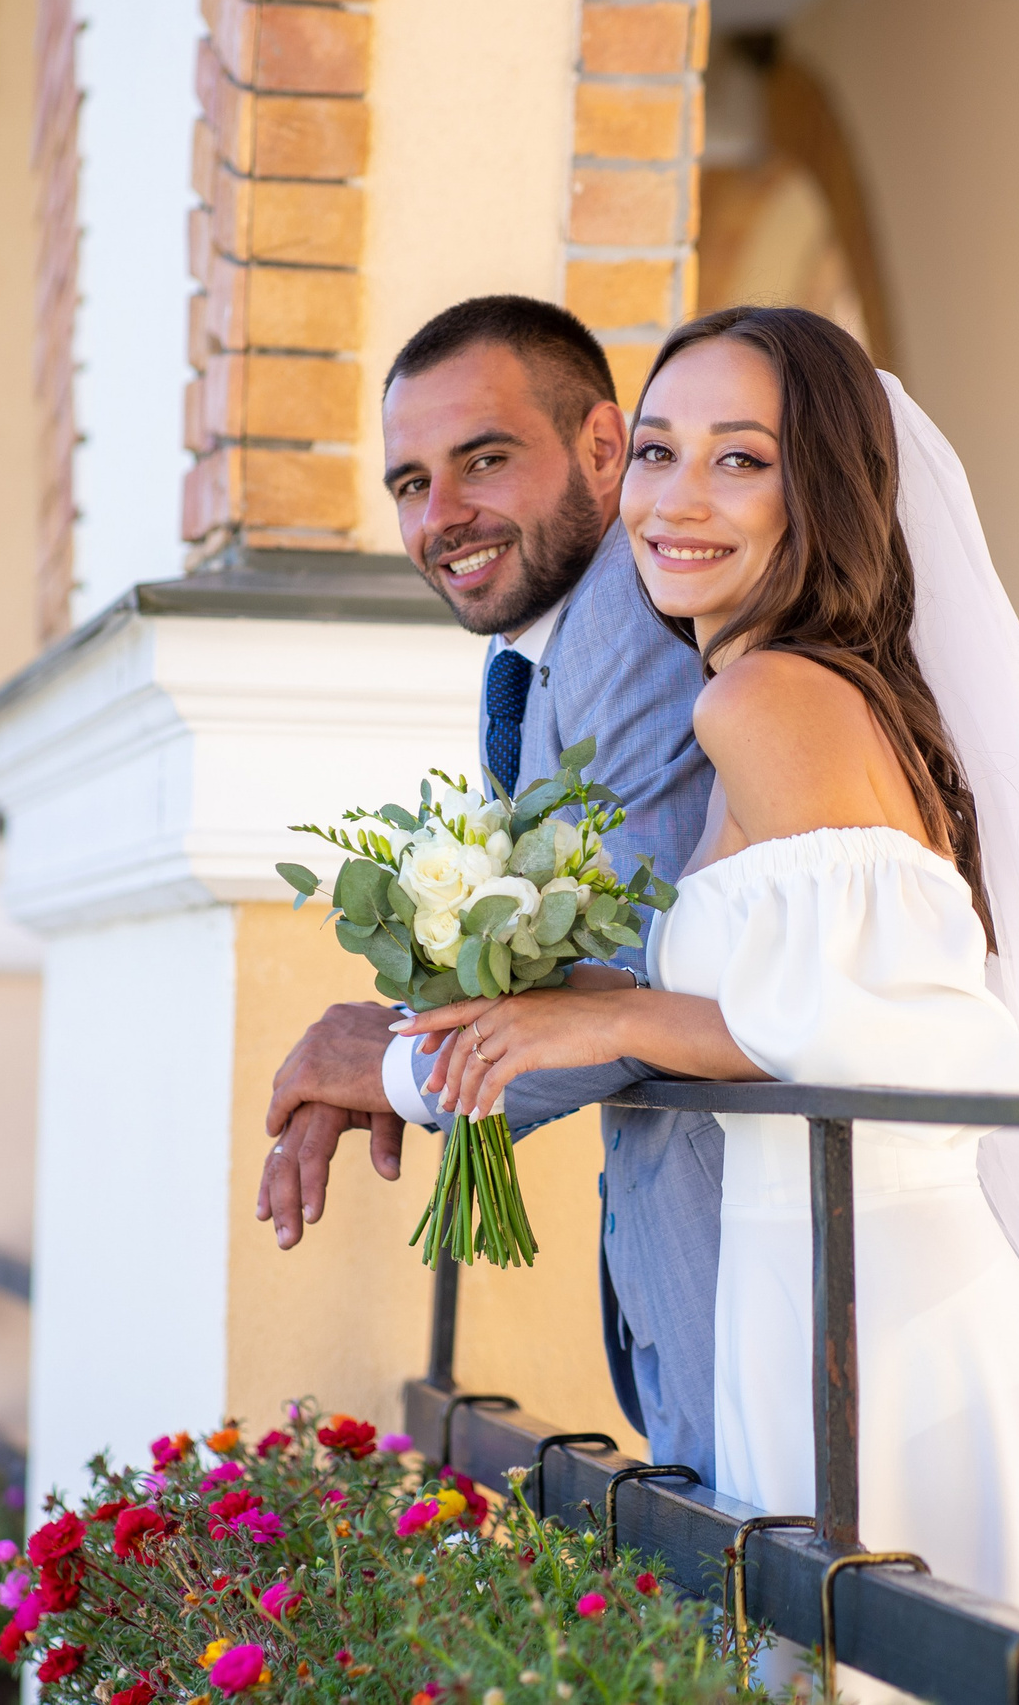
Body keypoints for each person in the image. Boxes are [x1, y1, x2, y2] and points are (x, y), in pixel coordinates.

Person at [397, 306, 1019, 1660]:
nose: (678, 499)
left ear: (827, 486)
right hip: (837, 1327)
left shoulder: (767, 700)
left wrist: (610, 1010)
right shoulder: (807, 690)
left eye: (743, 460)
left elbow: (908, 1038)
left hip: (907, 1363)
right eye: (661, 453)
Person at [255, 297, 727, 1478]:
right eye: (410, 483)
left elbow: (634, 982)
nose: (442, 515)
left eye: (484, 460)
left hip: (763, 1254)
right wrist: (389, 1042)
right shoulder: (532, 654)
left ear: (604, 450)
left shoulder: (628, 616)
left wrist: (393, 1068)